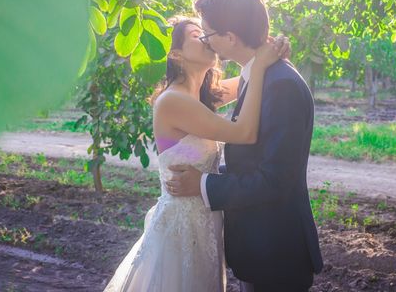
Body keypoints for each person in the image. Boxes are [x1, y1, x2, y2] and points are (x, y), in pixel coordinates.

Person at [104, 16, 289, 292]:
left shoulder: (201, 95)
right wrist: (262, 64)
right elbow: (244, 132)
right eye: (195, 34)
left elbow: (249, 81)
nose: (205, 37)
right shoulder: (173, 101)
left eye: (206, 32)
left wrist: (273, 53)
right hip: (182, 230)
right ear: (177, 54)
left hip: (204, 226)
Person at [167, 0, 323, 292]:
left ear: (230, 37)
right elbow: (256, 162)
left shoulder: (281, 86)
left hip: (276, 255)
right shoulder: (259, 76)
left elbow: (274, 179)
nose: (207, 42)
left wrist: (202, 184)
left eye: (209, 34)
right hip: (262, 249)